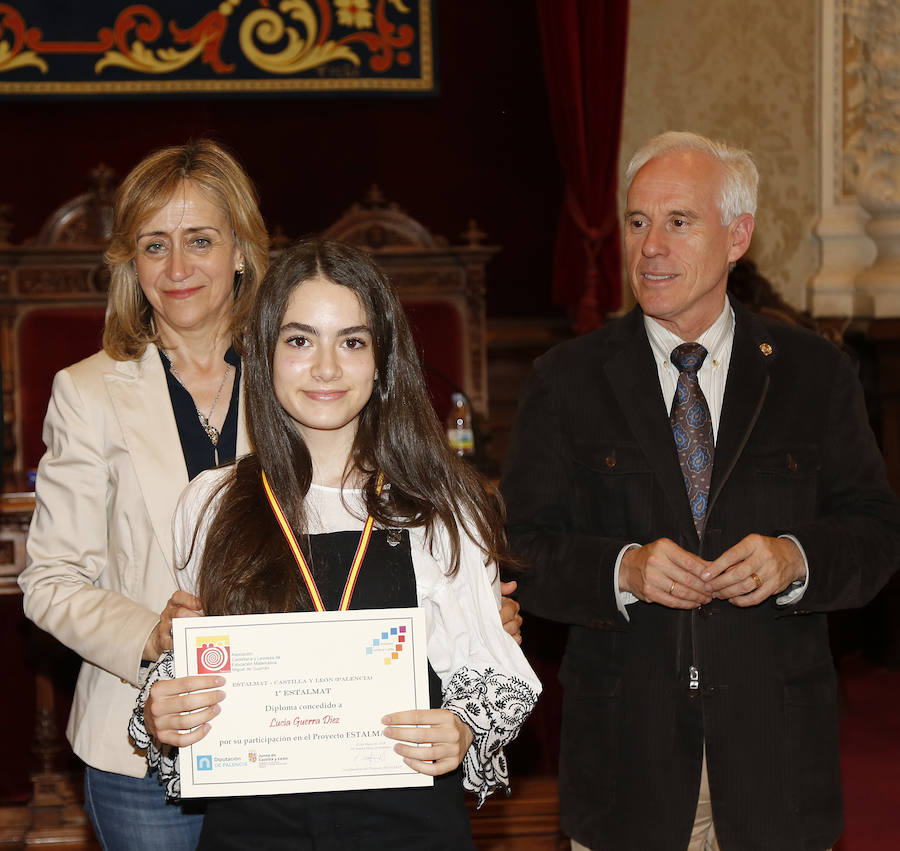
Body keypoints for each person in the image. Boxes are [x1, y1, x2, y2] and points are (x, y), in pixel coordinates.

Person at [500, 131, 900, 850]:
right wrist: (624, 568)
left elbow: (875, 533)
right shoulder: (566, 381)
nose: (650, 246)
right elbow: (523, 550)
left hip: (774, 763)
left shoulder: (813, 374)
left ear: (737, 234)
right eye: (637, 221)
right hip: (629, 765)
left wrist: (793, 557)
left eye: (678, 221)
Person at [130, 238, 540, 850]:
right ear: (264, 354)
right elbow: (184, 666)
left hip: (405, 829)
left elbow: (491, 676)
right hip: (254, 832)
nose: (326, 368)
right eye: (299, 340)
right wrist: (162, 716)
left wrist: (462, 731)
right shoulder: (210, 504)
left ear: (382, 362)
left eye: (351, 341)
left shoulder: (442, 505)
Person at [19, 140, 269, 850]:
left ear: (242, 251)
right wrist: (149, 635)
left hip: (284, 731)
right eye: (155, 245)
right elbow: (48, 581)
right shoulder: (88, 390)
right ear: (132, 262)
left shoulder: (299, 376)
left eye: (200, 240)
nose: (178, 267)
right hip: (138, 751)